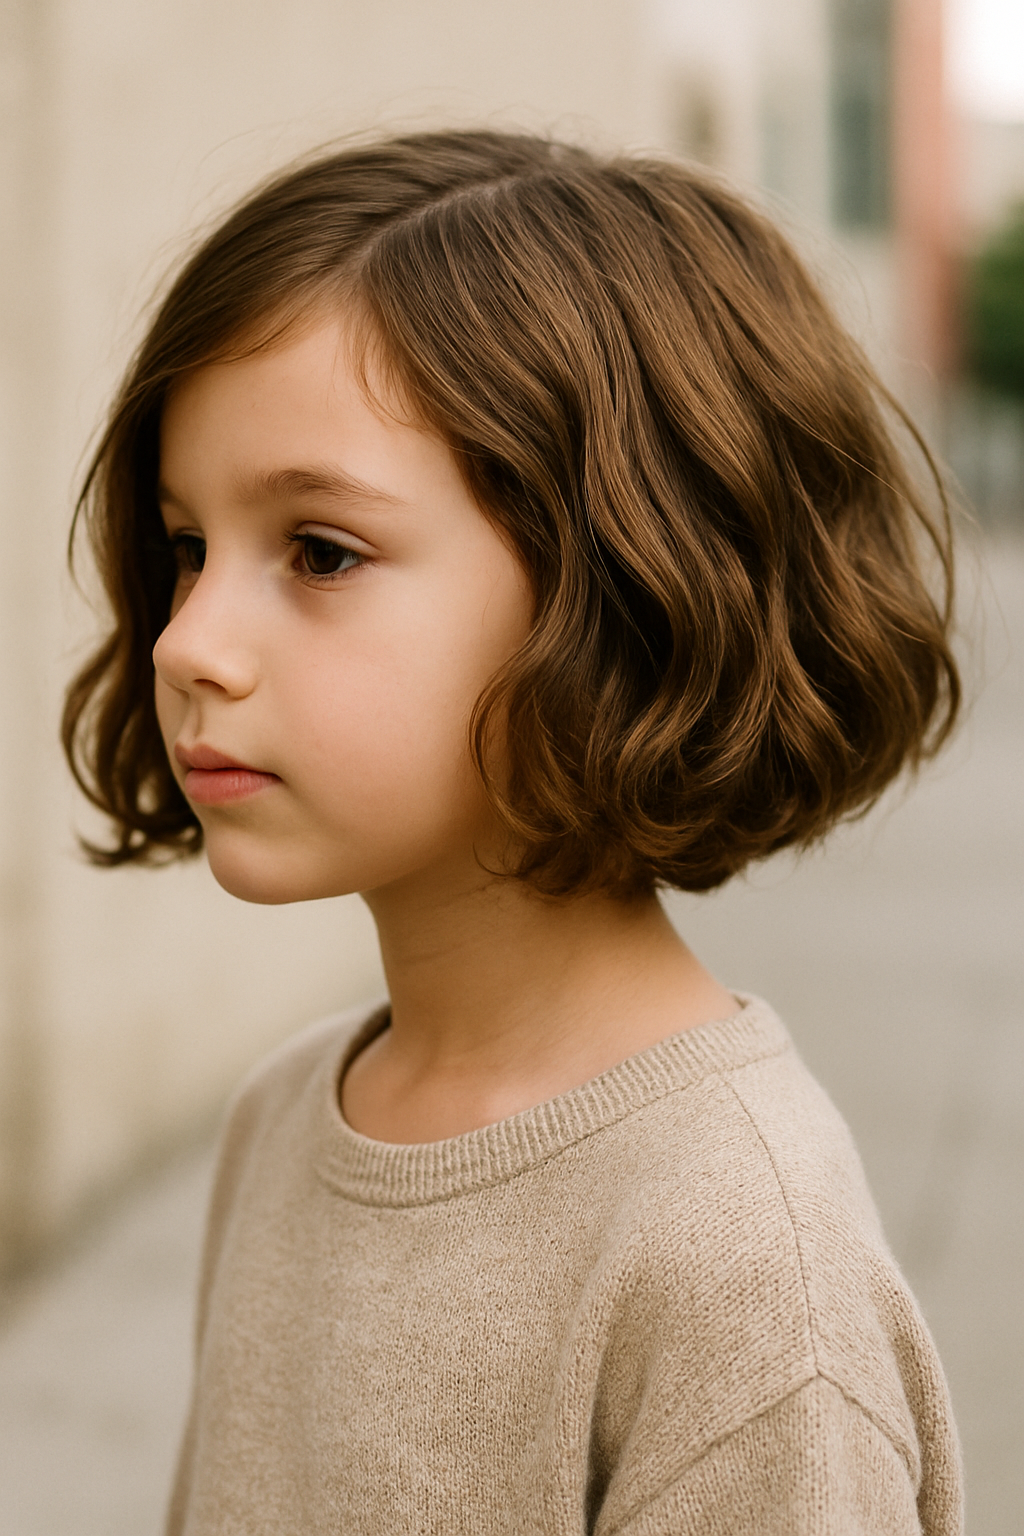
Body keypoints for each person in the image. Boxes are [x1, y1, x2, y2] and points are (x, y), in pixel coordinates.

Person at [63, 130, 963, 1535]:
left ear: (629, 587)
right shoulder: (289, 1116)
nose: (187, 641)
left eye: (319, 552)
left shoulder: (741, 1268)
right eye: (186, 547)